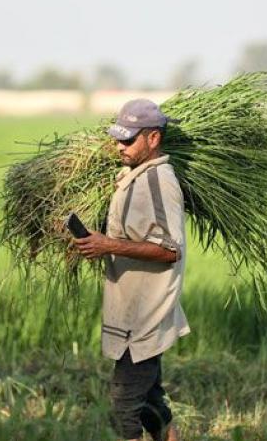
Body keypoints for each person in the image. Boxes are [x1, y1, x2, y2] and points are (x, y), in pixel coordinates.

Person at [73, 99, 190, 441]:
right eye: (118, 138)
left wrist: (108, 245)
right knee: (152, 402)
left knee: (125, 404)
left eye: (128, 140)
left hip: (145, 312)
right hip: (133, 308)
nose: (119, 146)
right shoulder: (132, 178)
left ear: (153, 139)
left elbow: (170, 250)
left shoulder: (158, 182)